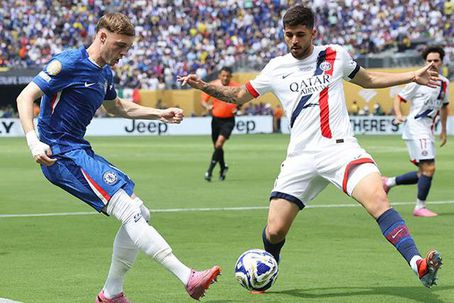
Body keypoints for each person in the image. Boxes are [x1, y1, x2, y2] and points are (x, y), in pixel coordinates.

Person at [179, 5, 442, 289]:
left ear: (313, 32)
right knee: (275, 229)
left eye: (300, 35)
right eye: (289, 35)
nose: (294, 41)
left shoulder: (335, 54)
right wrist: (205, 86)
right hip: (300, 157)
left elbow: (368, 80)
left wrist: (411, 76)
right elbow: (239, 95)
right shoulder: (276, 68)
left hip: (340, 150)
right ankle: (268, 271)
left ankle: (418, 264)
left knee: (378, 199)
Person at [16, 13, 220, 303]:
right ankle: (188, 277)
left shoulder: (104, 73)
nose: (124, 53)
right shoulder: (68, 63)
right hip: (59, 154)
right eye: (120, 45)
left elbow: (117, 107)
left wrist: (158, 114)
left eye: (127, 47)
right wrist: (33, 142)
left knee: (141, 213)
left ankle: (111, 293)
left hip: (78, 150)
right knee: (130, 211)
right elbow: (25, 97)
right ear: (102, 37)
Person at [382, 46, 449, 217]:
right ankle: (419, 207)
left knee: (424, 172)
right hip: (416, 128)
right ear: (424, 62)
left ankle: (388, 182)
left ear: (441, 62)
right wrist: (398, 114)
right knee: (430, 168)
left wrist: (443, 130)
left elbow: (444, 107)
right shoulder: (418, 80)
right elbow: (399, 98)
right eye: (429, 61)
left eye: (436, 60)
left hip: (428, 130)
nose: (432, 64)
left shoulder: (444, 83)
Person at [200, 66, 240, 182]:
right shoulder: (213, 86)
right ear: (219, 76)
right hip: (216, 120)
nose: (225, 78)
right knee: (217, 147)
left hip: (228, 120)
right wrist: (207, 106)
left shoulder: (236, 87)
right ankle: (223, 168)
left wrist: (238, 107)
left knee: (218, 144)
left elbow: (244, 99)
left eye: (227, 76)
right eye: (223, 75)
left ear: (231, 77)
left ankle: (209, 171)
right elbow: (203, 100)